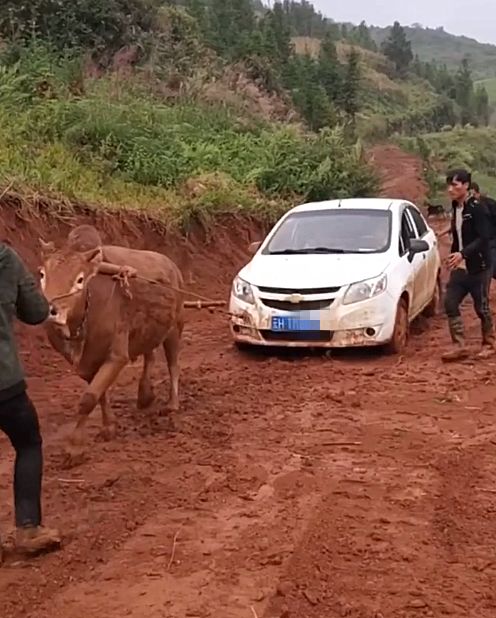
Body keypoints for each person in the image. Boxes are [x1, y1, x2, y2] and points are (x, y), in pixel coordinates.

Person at [0, 241, 61, 563]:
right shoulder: (6, 257)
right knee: (28, 443)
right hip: (4, 383)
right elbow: (36, 312)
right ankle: (28, 528)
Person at [442, 169, 495, 362]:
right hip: (461, 267)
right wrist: (454, 256)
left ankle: (489, 344)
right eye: (449, 185)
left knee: (481, 307)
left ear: (466, 186)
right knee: (450, 302)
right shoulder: (455, 208)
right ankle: (459, 345)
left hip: (479, 265)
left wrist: (463, 254)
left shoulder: (477, 208)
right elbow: (458, 236)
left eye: (455, 185)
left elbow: (484, 237)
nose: (450, 189)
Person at [470, 182, 496, 280]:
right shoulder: (467, 208)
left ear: (477, 193)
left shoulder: (490, 204)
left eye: (472, 195)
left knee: (491, 268)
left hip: (491, 241)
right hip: (476, 243)